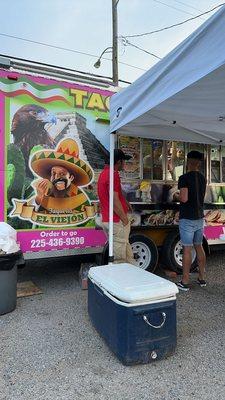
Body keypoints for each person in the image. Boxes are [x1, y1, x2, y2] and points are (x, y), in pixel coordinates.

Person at [97, 149, 136, 265]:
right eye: (124, 161)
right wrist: (124, 219)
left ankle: (132, 276)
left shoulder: (104, 173)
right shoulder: (112, 174)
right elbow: (114, 200)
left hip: (108, 219)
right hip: (116, 221)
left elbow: (114, 194)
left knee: (126, 252)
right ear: (119, 161)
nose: (124, 164)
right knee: (119, 260)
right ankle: (122, 280)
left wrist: (125, 201)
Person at [176, 150, 206, 291]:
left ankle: (185, 281)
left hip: (187, 218)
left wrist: (176, 195)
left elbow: (184, 198)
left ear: (188, 161)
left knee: (187, 249)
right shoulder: (202, 177)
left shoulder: (184, 178)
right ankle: (201, 278)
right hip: (199, 217)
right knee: (199, 246)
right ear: (199, 163)